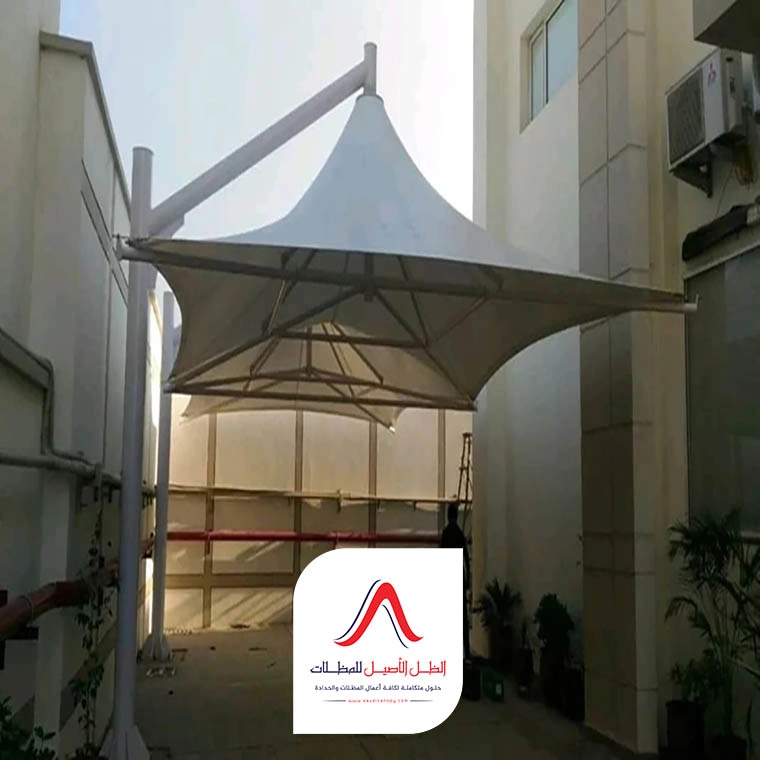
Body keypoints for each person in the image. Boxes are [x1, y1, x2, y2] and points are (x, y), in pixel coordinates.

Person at [440, 500, 471, 660]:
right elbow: (466, 558)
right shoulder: (459, 533)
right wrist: (468, 579)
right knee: (463, 617)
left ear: (448, 516)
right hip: (459, 577)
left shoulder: (446, 533)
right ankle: (466, 652)